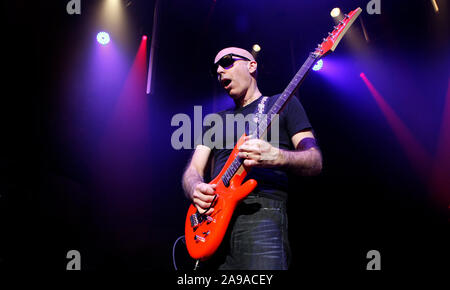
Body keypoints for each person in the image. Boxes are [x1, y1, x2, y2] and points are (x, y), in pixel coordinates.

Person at [182, 47, 322, 270]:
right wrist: (195, 188)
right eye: (215, 69)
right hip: (213, 222)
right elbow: (193, 170)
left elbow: (315, 161)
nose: (219, 71)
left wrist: (277, 156)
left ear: (252, 65)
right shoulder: (215, 120)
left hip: (261, 215)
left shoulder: (284, 104)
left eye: (226, 62)